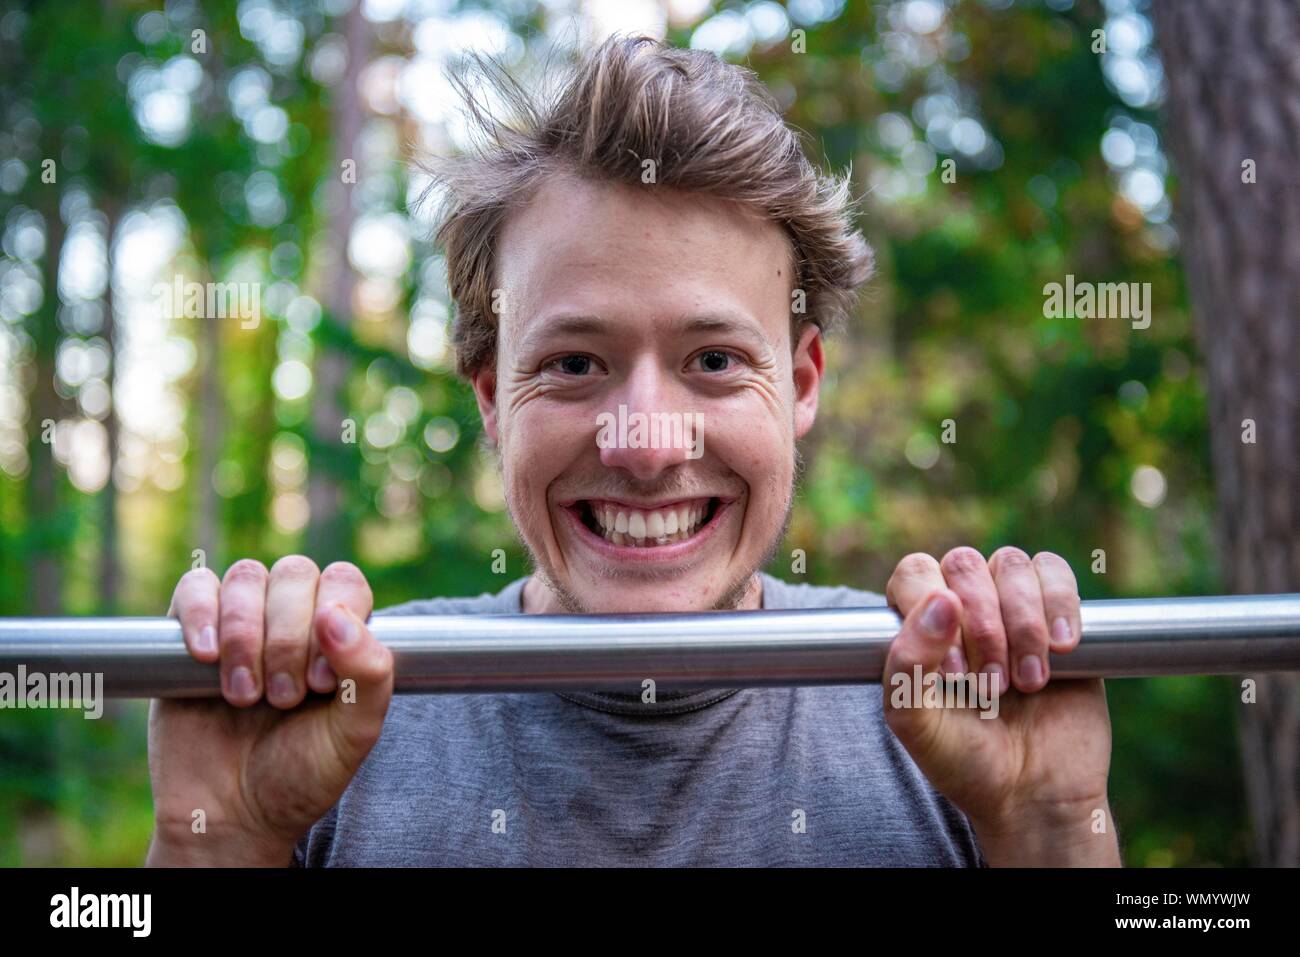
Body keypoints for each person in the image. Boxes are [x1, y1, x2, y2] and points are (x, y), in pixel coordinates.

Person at [146, 35, 1119, 867]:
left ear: (803, 384)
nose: (646, 444)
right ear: (491, 396)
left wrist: (1051, 828)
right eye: (573, 363)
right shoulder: (336, 720)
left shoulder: (945, 712)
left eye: (713, 360)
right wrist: (215, 840)